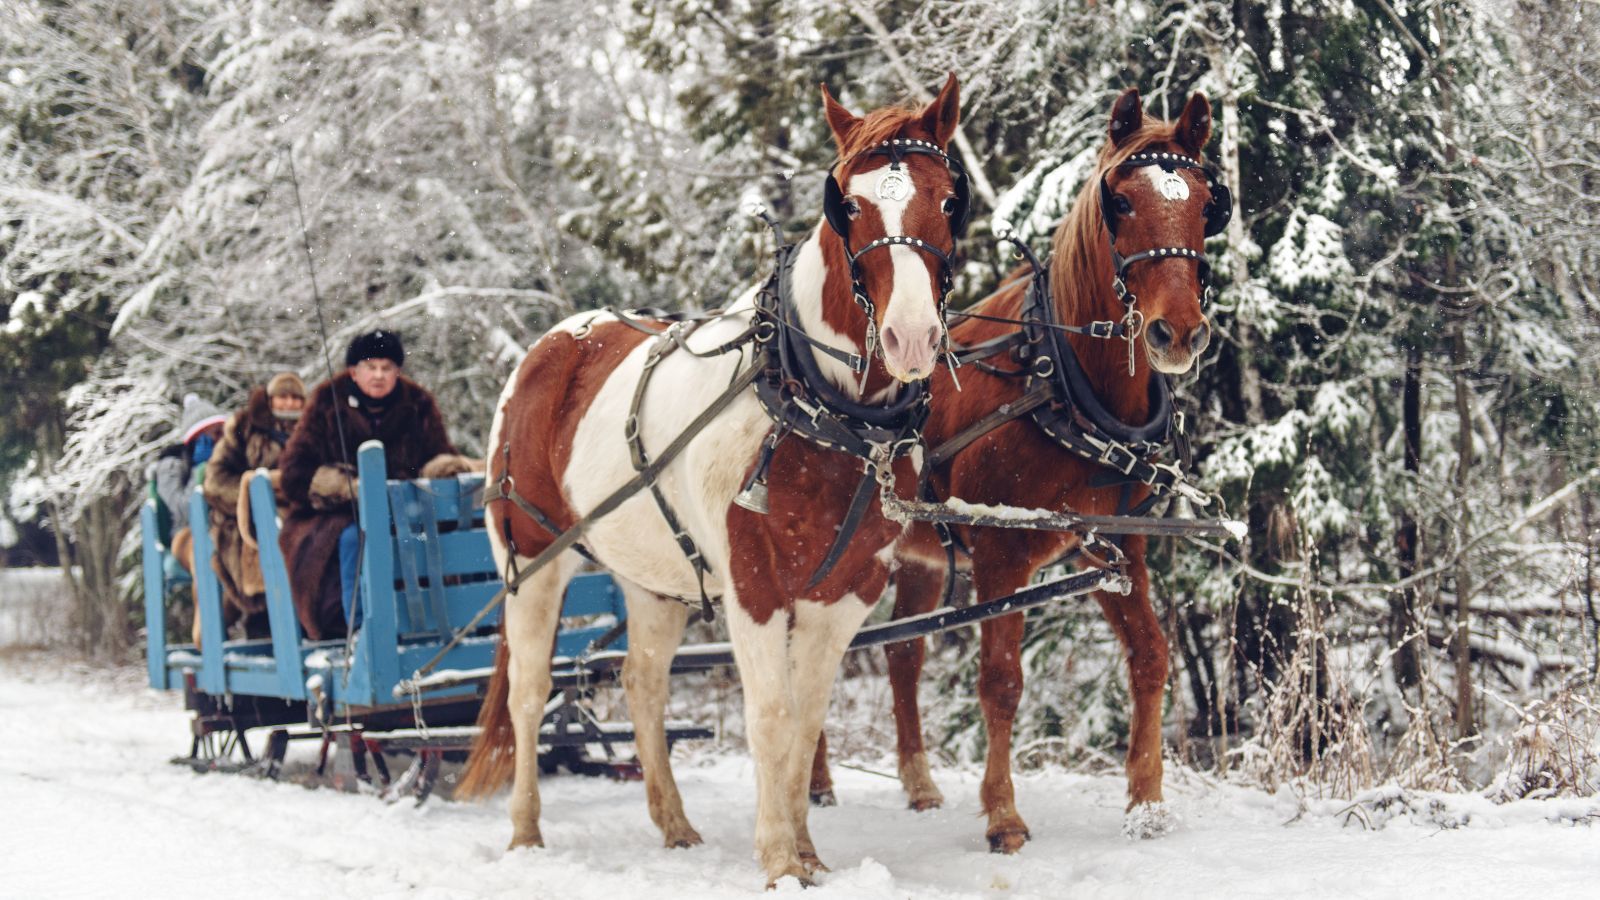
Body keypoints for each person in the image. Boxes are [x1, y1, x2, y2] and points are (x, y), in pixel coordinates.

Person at [277, 331, 477, 639]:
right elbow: (294, 473)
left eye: (387, 368)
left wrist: (439, 469)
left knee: (453, 531)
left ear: (397, 371)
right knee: (353, 540)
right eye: (371, 367)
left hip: (406, 512)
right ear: (354, 371)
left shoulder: (418, 404)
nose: (379, 375)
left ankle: (453, 618)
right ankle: (359, 628)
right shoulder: (327, 402)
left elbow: (439, 454)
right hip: (337, 517)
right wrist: (346, 487)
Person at [199, 372, 307, 642]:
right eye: (283, 397)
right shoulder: (244, 428)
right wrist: (254, 497)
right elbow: (215, 481)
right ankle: (263, 619)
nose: (289, 403)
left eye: (295, 398)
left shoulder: (311, 429)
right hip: (246, 519)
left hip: (301, 511)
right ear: (271, 399)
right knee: (266, 540)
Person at [146, 393, 229, 586]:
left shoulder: (229, 459)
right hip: (186, 536)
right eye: (213, 435)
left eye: (221, 432)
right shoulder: (172, 466)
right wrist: (199, 471)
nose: (219, 441)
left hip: (223, 529)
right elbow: (182, 510)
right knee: (208, 558)